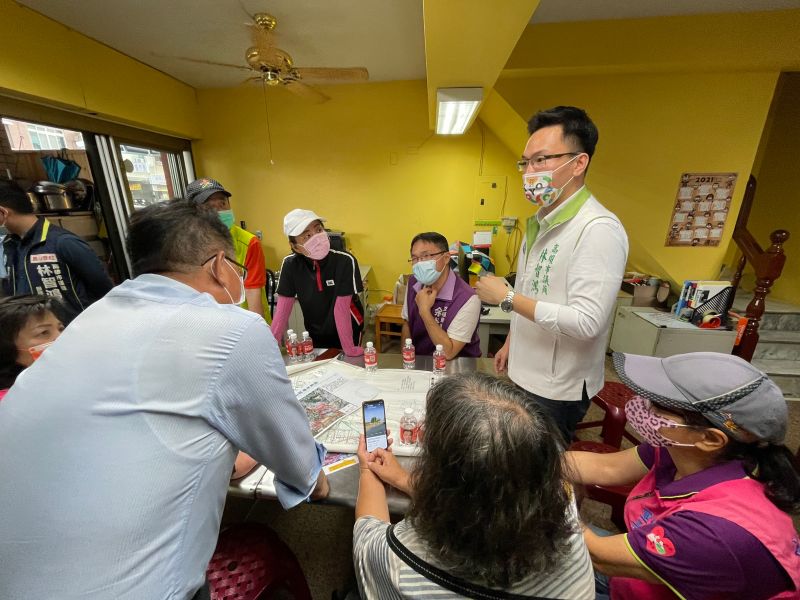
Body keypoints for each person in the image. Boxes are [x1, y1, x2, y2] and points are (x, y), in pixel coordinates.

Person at [0, 200, 328, 600]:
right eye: (235, 269)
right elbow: (300, 466)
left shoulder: (90, 318)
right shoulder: (231, 328)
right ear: (218, 265)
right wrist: (315, 476)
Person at [566, 351, 800, 600]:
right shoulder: (684, 451)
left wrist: (549, 498)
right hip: (636, 579)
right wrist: (537, 463)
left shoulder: (716, 531)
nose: (642, 407)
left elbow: (600, 556)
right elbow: (607, 468)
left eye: (657, 407)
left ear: (710, 438)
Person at [354, 372, 595, 599]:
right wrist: (401, 479)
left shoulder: (400, 562)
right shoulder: (569, 525)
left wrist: (367, 469)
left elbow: (367, 536)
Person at [476, 105, 628, 444]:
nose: (530, 171)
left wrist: (508, 298)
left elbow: (588, 322)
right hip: (525, 371)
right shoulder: (539, 221)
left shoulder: (598, 229)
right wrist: (513, 342)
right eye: (526, 162)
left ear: (579, 163)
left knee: (541, 472)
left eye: (541, 160)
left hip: (558, 386)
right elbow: (535, 290)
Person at [1, 183, 113, 322]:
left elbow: (104, 289)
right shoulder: (10, 245)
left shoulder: (63, 242)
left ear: (3, 212)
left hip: (74, 330)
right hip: (37, 330)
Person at [271, 208, 365, 356]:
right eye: (307, 236)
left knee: (348, 367)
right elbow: (283, 309)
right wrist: (270, 345)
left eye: (319, 229)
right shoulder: (291, 265)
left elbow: (341, 308)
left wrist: (349, 348)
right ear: (295, 246)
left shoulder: (344, 260)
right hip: (315, 329)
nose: (316, 237)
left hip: (349, 329)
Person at [186, 177, 269, 321]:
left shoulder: (248, 243)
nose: (220, 211)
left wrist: (258, 331)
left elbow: (252, 294)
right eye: (210, 208)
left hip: (247, 321)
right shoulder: (185, 246)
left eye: (222, 204)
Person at [401, 232, 481, 359]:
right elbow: (407, 323)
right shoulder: (413, 282)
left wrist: (424, 311)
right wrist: (407, 356)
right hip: (420, 364)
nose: (420, 263)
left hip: (457, 370)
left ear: (446, 257)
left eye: (426, 256)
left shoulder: (468, 298)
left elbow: (449, 353)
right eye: (415, 258)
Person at [0, 294, 64, 400]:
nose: (61, 337)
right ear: (7, 348)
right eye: (43, 332)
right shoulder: (9, 402)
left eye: (61, 328)